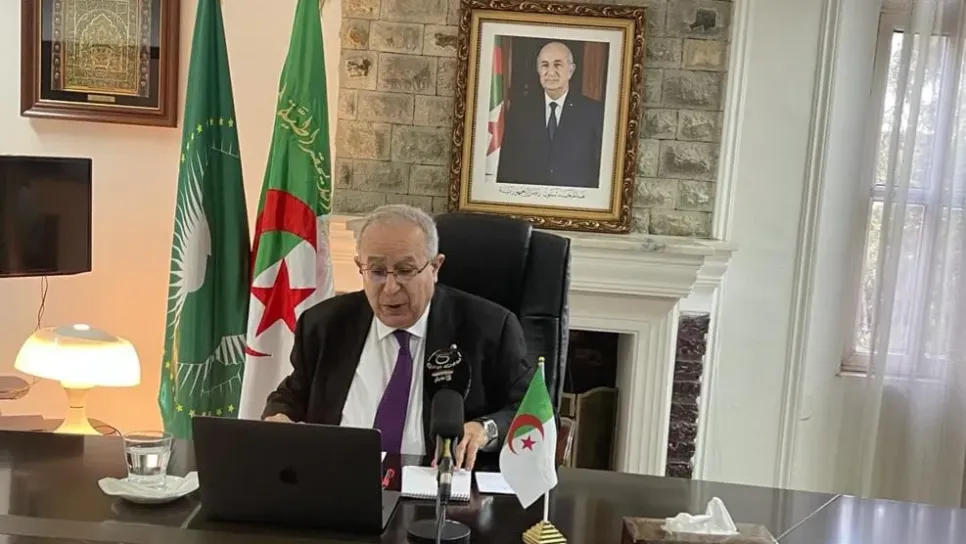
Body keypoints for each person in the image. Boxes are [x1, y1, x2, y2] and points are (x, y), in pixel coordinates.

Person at [261, 204, 536, 470]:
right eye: (377, 272)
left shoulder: (489, 328)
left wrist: (485, 429)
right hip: (337, 479)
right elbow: (292, 394)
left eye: (405, 271)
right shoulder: (325, 324)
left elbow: (531, 413)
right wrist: (279, 417)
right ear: (360, 267)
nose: (390, 288)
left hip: (438, 485)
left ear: (435, 267)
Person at [496, 41, 605, 188]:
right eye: (545, 65)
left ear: (571, 70)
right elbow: (507, 164)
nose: (551, 72)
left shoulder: (593, 112)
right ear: (538, 70)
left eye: (558, 65)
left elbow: (600, 168)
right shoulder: (520, 111)